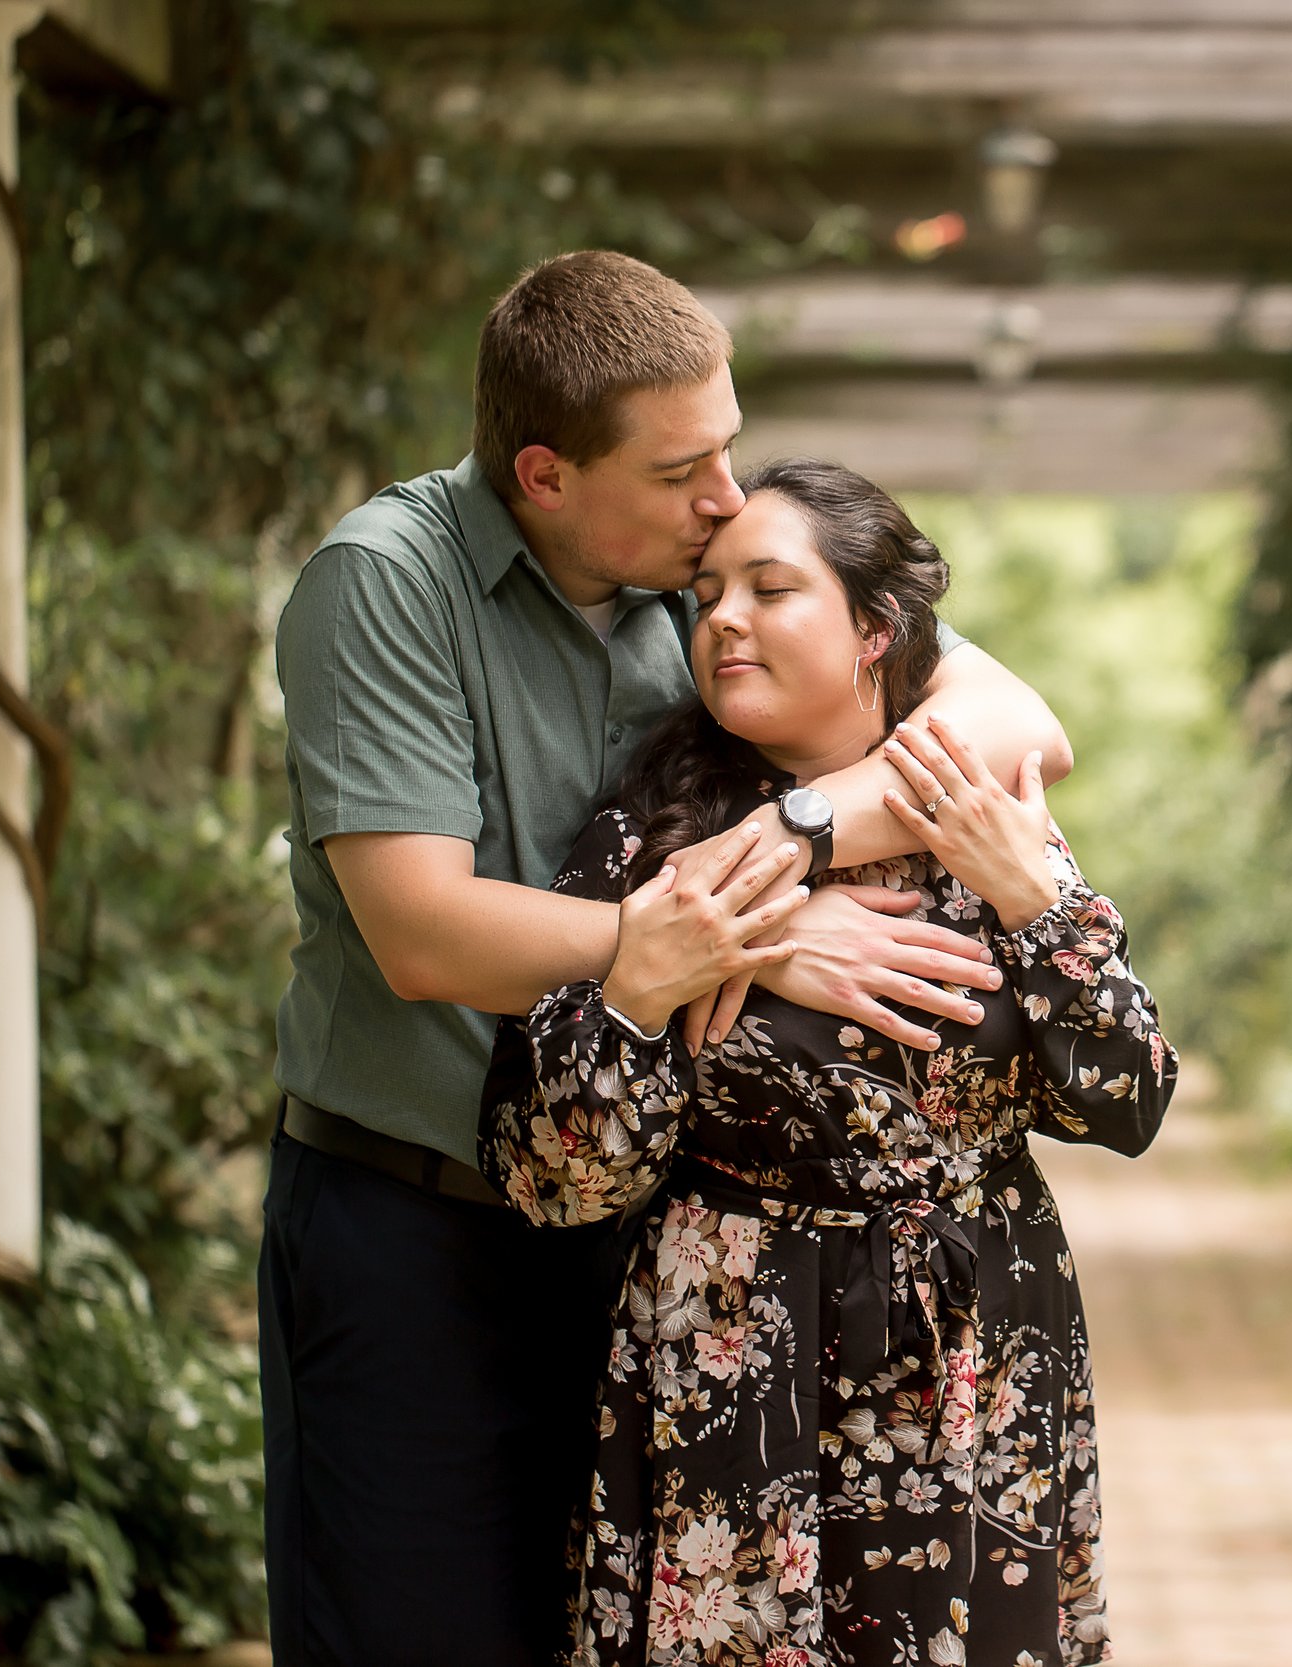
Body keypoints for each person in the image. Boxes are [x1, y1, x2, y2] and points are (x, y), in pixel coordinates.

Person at [261, 253, 1071, 1667]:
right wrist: (739, 944)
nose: (724, 494)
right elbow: (423, 931)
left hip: (646, 1248)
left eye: (730, 443)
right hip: (415, 1229)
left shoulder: (717, 588)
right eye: (684, 465)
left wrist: (799, 839)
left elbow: (1015, 723)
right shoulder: (385, 582)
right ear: (547, 473)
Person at [479, 459, 1177, 1667]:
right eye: (706, 594)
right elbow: (550, 1178)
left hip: (976, 1350)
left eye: (770, 587)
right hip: (733, 1352)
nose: (724, 618)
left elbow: (1129, 1097)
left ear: (876, 631)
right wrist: (646, 984)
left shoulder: (983, 810)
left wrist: (1033, 898)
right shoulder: (654, 839)